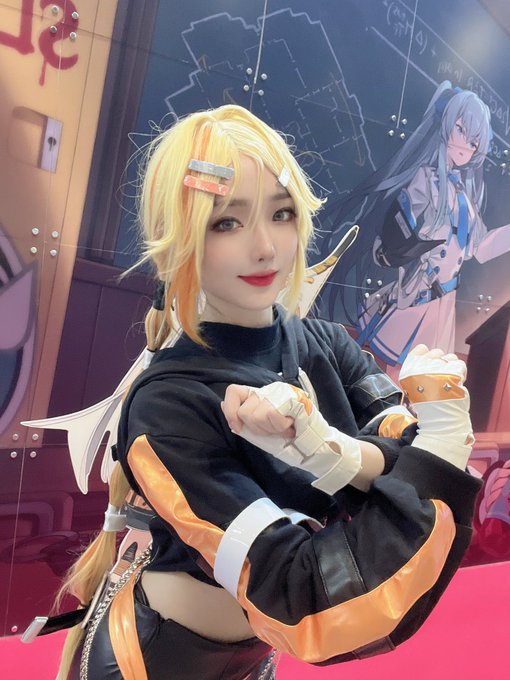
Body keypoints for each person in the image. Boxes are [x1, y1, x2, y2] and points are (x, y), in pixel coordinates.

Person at [50, 105, 480, 679]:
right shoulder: (166, 406)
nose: (266, 247)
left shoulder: (329, 345)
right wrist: (423, 448)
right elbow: (303, 595)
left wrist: (330, 450)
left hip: (255, 659)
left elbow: (408, 452)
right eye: (226, 223)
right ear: (177, 240)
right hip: (154, 662)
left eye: (281, 213)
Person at [325, 80, 510, 367]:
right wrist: (395, 252)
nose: (465, 145)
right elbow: (399, 225)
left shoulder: (466, 198)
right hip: (418, 290)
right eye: (461, 130)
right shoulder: (427, 179)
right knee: (398, 370)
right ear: (447, 125)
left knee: (426, 376)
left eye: (474, 142)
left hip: (445, 301)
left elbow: (481, 248)